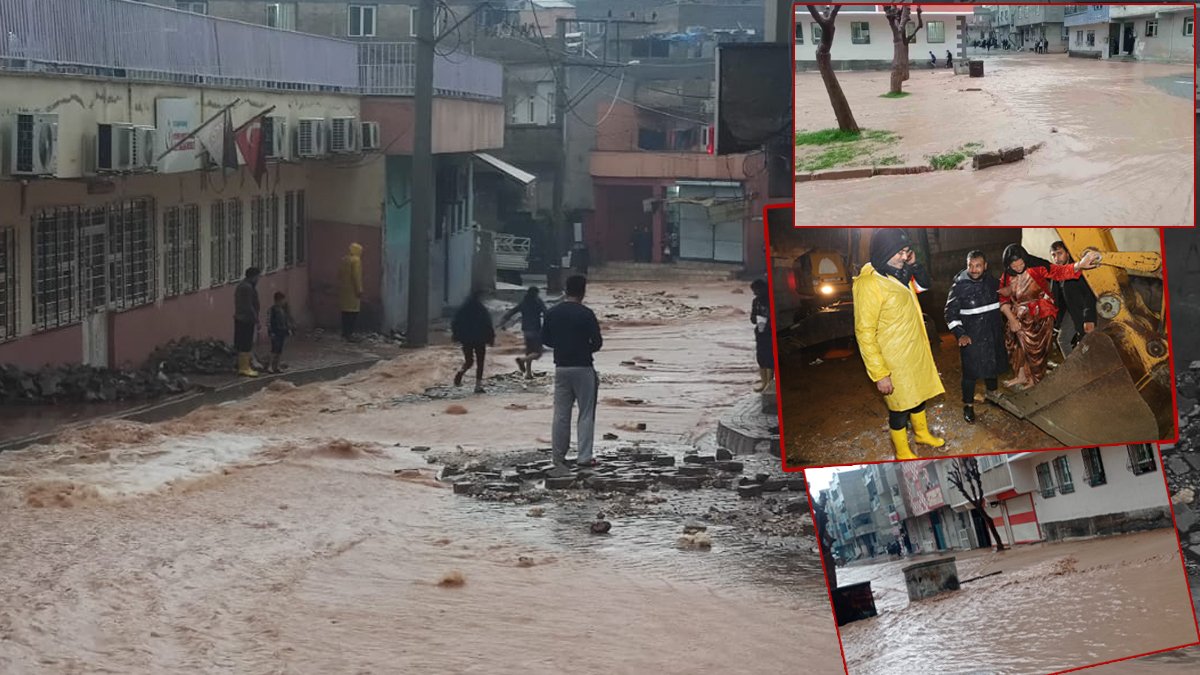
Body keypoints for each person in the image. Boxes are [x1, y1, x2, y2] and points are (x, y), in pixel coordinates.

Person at [853, 229, 945, 461]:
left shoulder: (899, 273)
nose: (904, 257)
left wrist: (915, 264)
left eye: (907, 251)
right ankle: (903, 450)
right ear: (884, 252)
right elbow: (864, 332)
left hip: (914, 351)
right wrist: (880, 373)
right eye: (900, 252)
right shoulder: (870, 284)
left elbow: (924, 287)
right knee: (900, 407)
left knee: (918, 395)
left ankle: (922, 434)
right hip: (893, 360)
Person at [999, 244, 1101, 389]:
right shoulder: (1007, 275)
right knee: (1016, 346)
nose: (1018, 268)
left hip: (1038, 315)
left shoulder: (1037, 267)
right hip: (1018, 316)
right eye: (1014, 266)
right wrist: (1012, 318)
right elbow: (1003, 299)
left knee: (1035, 350)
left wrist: (1079, 265)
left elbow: (1059, 272)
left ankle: (1036, 380)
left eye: (1021, 264)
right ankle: (1021, 376)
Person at [542, 275, 603, 477]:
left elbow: (546, 339)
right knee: (586, 413)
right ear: (583, 291)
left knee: (560, 414)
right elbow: (597, 342)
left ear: (565, 290)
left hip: (561, 367)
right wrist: (584, 349)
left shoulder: (552, 313)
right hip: (584, 367)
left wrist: (562, 346)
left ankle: (558, 457)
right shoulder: (586, 314)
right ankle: (584, 457)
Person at [945, 251, 1007, 424]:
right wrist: (960, 333)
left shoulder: (993, 283)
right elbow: (949, 314)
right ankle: (968, 405)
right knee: (970, 374)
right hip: (971, 337)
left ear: (985, 266)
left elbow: (1004, 302)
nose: (974, 269)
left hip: (992, 333)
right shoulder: (959, 286)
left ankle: (992, 395)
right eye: (970, 265)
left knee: (992, 365)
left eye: (978, 265)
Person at [1049, 240, 1098, 359]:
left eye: (1060, 253)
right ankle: (1073, 366)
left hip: (1083, 311)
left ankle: (1087, 367)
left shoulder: (1078, 270)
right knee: (1063, 339)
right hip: (1070, 311)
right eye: (1053, 255)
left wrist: (1089, 318)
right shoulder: (1057, 272)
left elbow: (1089, 294)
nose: (1057, 258)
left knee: (1087, 344)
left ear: (1067, 253)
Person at [451, 289, 495, 394]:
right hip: (480, 339)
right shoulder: (481, 309)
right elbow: (488, 324)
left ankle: (461, 373)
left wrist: (456, 336)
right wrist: (491, 338)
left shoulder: (463, 308)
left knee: (469, 361)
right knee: (480, 363)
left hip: (466, 339)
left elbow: (455, 323)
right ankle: (477, 386)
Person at [500, 286, 547, 380]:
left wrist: (503, 322)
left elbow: (512, 311)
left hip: (526, 330)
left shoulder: (524, 302)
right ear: (536, 293)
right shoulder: (538, 302)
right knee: (538, 352)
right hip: (536, 330)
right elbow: (546, 313)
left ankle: (528, 373)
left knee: (529, 351)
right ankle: (522, 360)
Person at [233, 267, 262, 378]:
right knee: (245, 343)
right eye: (258, 277)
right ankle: (244, 368)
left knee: (244, 343)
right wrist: (256, 319)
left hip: (243, 318)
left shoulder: (245, 285)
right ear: (253, 276)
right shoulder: (247, 287)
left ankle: (244, 366)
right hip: (245, 319)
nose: (258, 279)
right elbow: (249, 305)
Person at [750, 278, 774, 393]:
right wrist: (758, 320)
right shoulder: (756, 301)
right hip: (760, 333)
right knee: (761, 358)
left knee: (770, 358)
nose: (755, 293)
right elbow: (752, 318)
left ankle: (769, 384)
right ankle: (764, 382)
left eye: (756, 290)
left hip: (770, 333)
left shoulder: (771, 300)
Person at [338, 242, 364, 341]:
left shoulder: (344, 259)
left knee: (344, 312)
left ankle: (344, 332)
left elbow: (339, 274)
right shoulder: (356, 261)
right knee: (353, 313)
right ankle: (350, 334)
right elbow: (356, 276)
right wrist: (359, 289)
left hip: (344, 290)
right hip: (352, 290)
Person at [267, 291, 294, 374]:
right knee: (274, 350)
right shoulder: (273, 310)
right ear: (277, 300)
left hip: (282, 331)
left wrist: (288, 329)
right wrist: (271, 332)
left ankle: (277, 366)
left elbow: (285, 321)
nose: (283, 302)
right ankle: (270, 366)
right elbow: (269, 322)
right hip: (276, 332)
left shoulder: (282, 310)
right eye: (282, 300)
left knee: (279, 350)